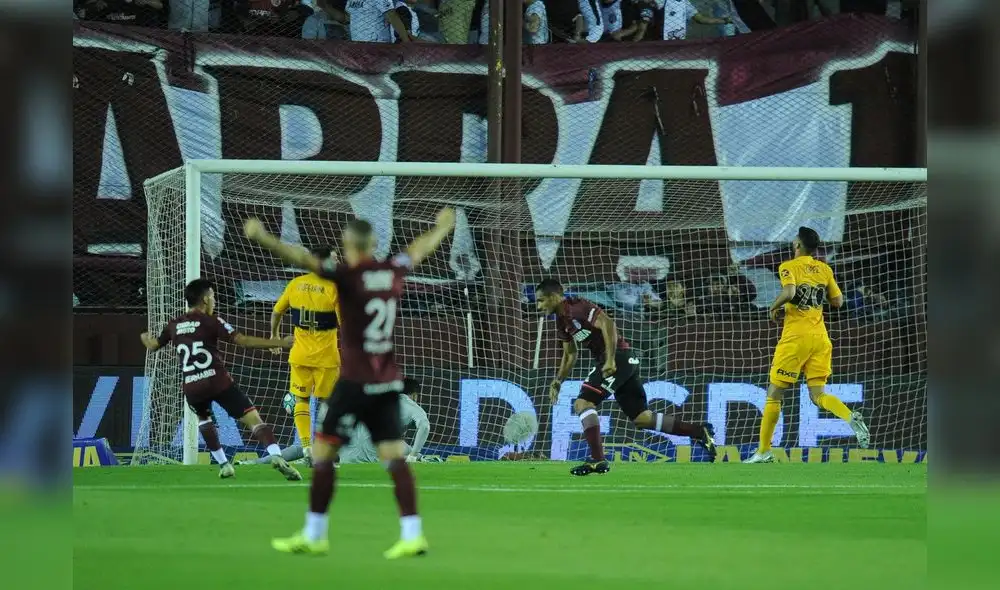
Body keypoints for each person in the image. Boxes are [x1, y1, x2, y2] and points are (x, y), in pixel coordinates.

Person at [244, 209, 456, 559]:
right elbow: (419, 249)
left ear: (346, 246)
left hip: (355, 383)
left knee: (323, 455)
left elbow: (300, 258)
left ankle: (315, 534)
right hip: (386, 383)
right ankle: (412, 534)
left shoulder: (345, 276)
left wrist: (263, 237)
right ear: (374, 244)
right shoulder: (392, 270)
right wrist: (442, 228)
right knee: (395, 459)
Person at [535, 278, 717, 476]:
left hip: (618, 358)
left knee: (583, 403)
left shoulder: (576, 307)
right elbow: (570, 354)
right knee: (642, 418)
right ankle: (699, 432)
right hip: (621, 361)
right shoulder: (562, 321)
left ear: (554, 296)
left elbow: (608, 324)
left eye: (541, 300)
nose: (538, 306)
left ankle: (597, 459)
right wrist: (558, 381)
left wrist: (610, 359)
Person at [139, 278, 302, 481]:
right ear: (206, 299)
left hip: (192, 386)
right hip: (217, 380)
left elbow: (154, 345)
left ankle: (224, 465)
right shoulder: (212, 321)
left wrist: (145, 338)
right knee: (253, 419)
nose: (214, 301)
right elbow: (242, 341)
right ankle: (276, 455)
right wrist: (279, 343)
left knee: (204, 419)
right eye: (213, 297)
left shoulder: (174, 325)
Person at [744, 227, 870, 464]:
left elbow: (790, 291)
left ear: (797, 245)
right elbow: (838, 301)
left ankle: (763, 451)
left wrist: (773, 307)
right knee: (818, 395)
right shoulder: (824, 269)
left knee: (774, 394)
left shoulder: (788, 266)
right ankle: (849, 416)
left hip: (796, 338)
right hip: (820, 338)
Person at [236, 378, 430, 465]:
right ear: (413, 395)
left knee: (303, 448)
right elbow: (424, 425)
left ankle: (256, 463)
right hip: (369, 456)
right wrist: (414, 455)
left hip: (346, 445)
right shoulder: (406, 404)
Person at [270, 245, 341, 468]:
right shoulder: (334, 287)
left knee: (301, 400)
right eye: (334, 259)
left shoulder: (296, 284)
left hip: (299, 356)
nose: (337, 262)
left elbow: (277, 311)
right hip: (326, 358)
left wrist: (274, 335)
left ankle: (306, 447)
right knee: (330, 404)